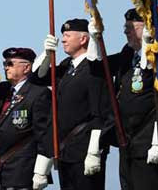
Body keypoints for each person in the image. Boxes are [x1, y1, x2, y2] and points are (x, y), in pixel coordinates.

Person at [31, 18, 111, 190]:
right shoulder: (67, 66)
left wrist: (94, 151)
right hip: (64, 150)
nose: (63, 40)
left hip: (85, 149)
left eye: (67, 35)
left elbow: (100, 112)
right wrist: (46, 54)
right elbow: (37, 78)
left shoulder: (94, 67)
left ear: (83, 39)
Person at [94, 9, 158, 190]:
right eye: (125, 27)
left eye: (130, 27)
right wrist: (95, 39)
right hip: (127, 141)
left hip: (149, 140)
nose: (125, 32)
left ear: (146, 28)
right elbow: (98, 68)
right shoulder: (127, 55)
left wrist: (157, 140)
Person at [0, 47, 53, 190]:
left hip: (22, 168)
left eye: (10, 64)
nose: (6, 67)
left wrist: (41, 171)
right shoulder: (3, 89)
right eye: (5, 64)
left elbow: (45, 135)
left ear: (26, 67)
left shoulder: (38, 92)